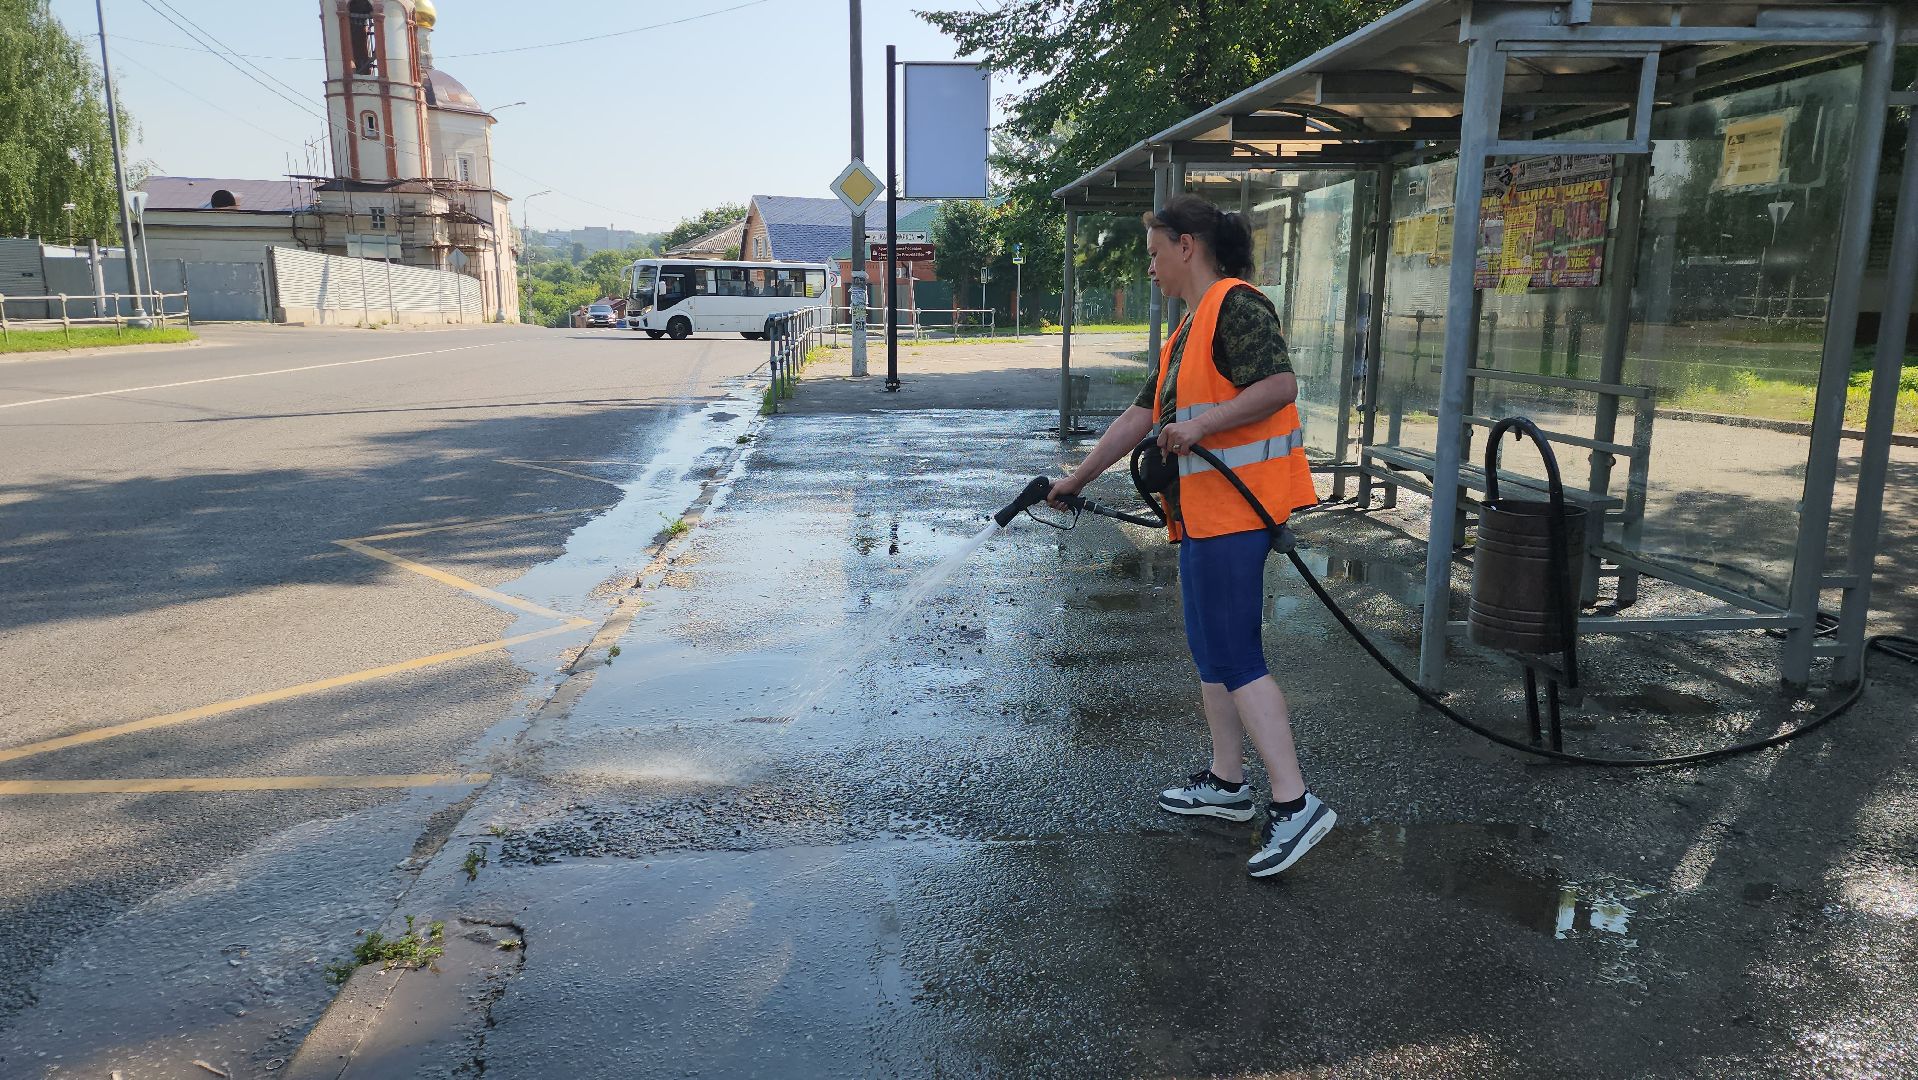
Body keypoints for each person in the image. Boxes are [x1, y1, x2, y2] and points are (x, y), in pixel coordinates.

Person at [1047, 194, 1333, 878]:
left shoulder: (1237, 305)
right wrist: (1076, 479)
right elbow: (1140, 415)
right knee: (1211, 652)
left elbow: (1281, 385)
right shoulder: (1187, 330)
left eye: (1154, 252)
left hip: (1241, 513)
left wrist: (1201, 427)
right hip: (1203, 517)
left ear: (1186, 246)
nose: (1150, 266)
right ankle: (1229, 785)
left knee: (1236, 654)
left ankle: (1295, 805)